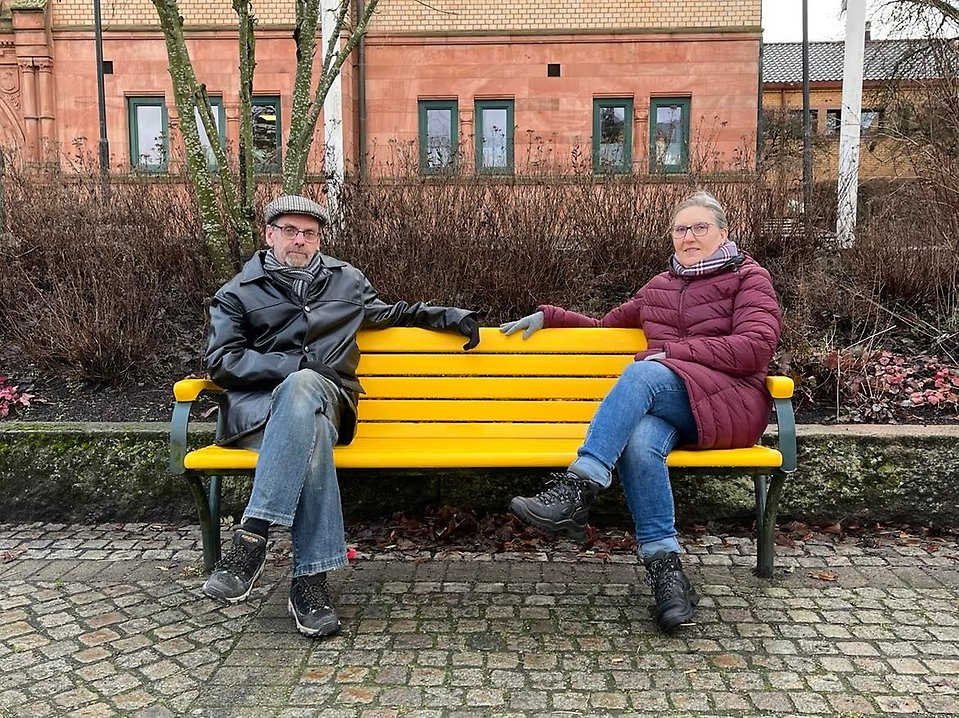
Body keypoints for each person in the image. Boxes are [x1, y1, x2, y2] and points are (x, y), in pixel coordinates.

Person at [501, 190, 781, 633]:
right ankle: (667, 574)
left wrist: (670, 352)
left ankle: (580, 486)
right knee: (639, 443)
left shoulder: (749, 278)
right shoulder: (658, 288)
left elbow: (755, 347)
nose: (689, 237)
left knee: (642, 373)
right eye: (681, 229)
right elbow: (604, 328)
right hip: (677, 406)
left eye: (700, 228)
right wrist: (550, 317)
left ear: (724, 233)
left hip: (732, 403)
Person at [202, 195, 480, 637]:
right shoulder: (237, 293)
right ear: (269, 234)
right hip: (261, 416)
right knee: (304, 414)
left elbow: (388, 313)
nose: (300, 240)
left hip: (332, 402)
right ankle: (309, 583)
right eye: (290, 231)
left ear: (319, 238)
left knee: (306, 391)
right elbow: (221, 361)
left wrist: (445, 316)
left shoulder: (345, 280)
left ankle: (252, 536)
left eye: (309, 233)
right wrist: (294, 367)